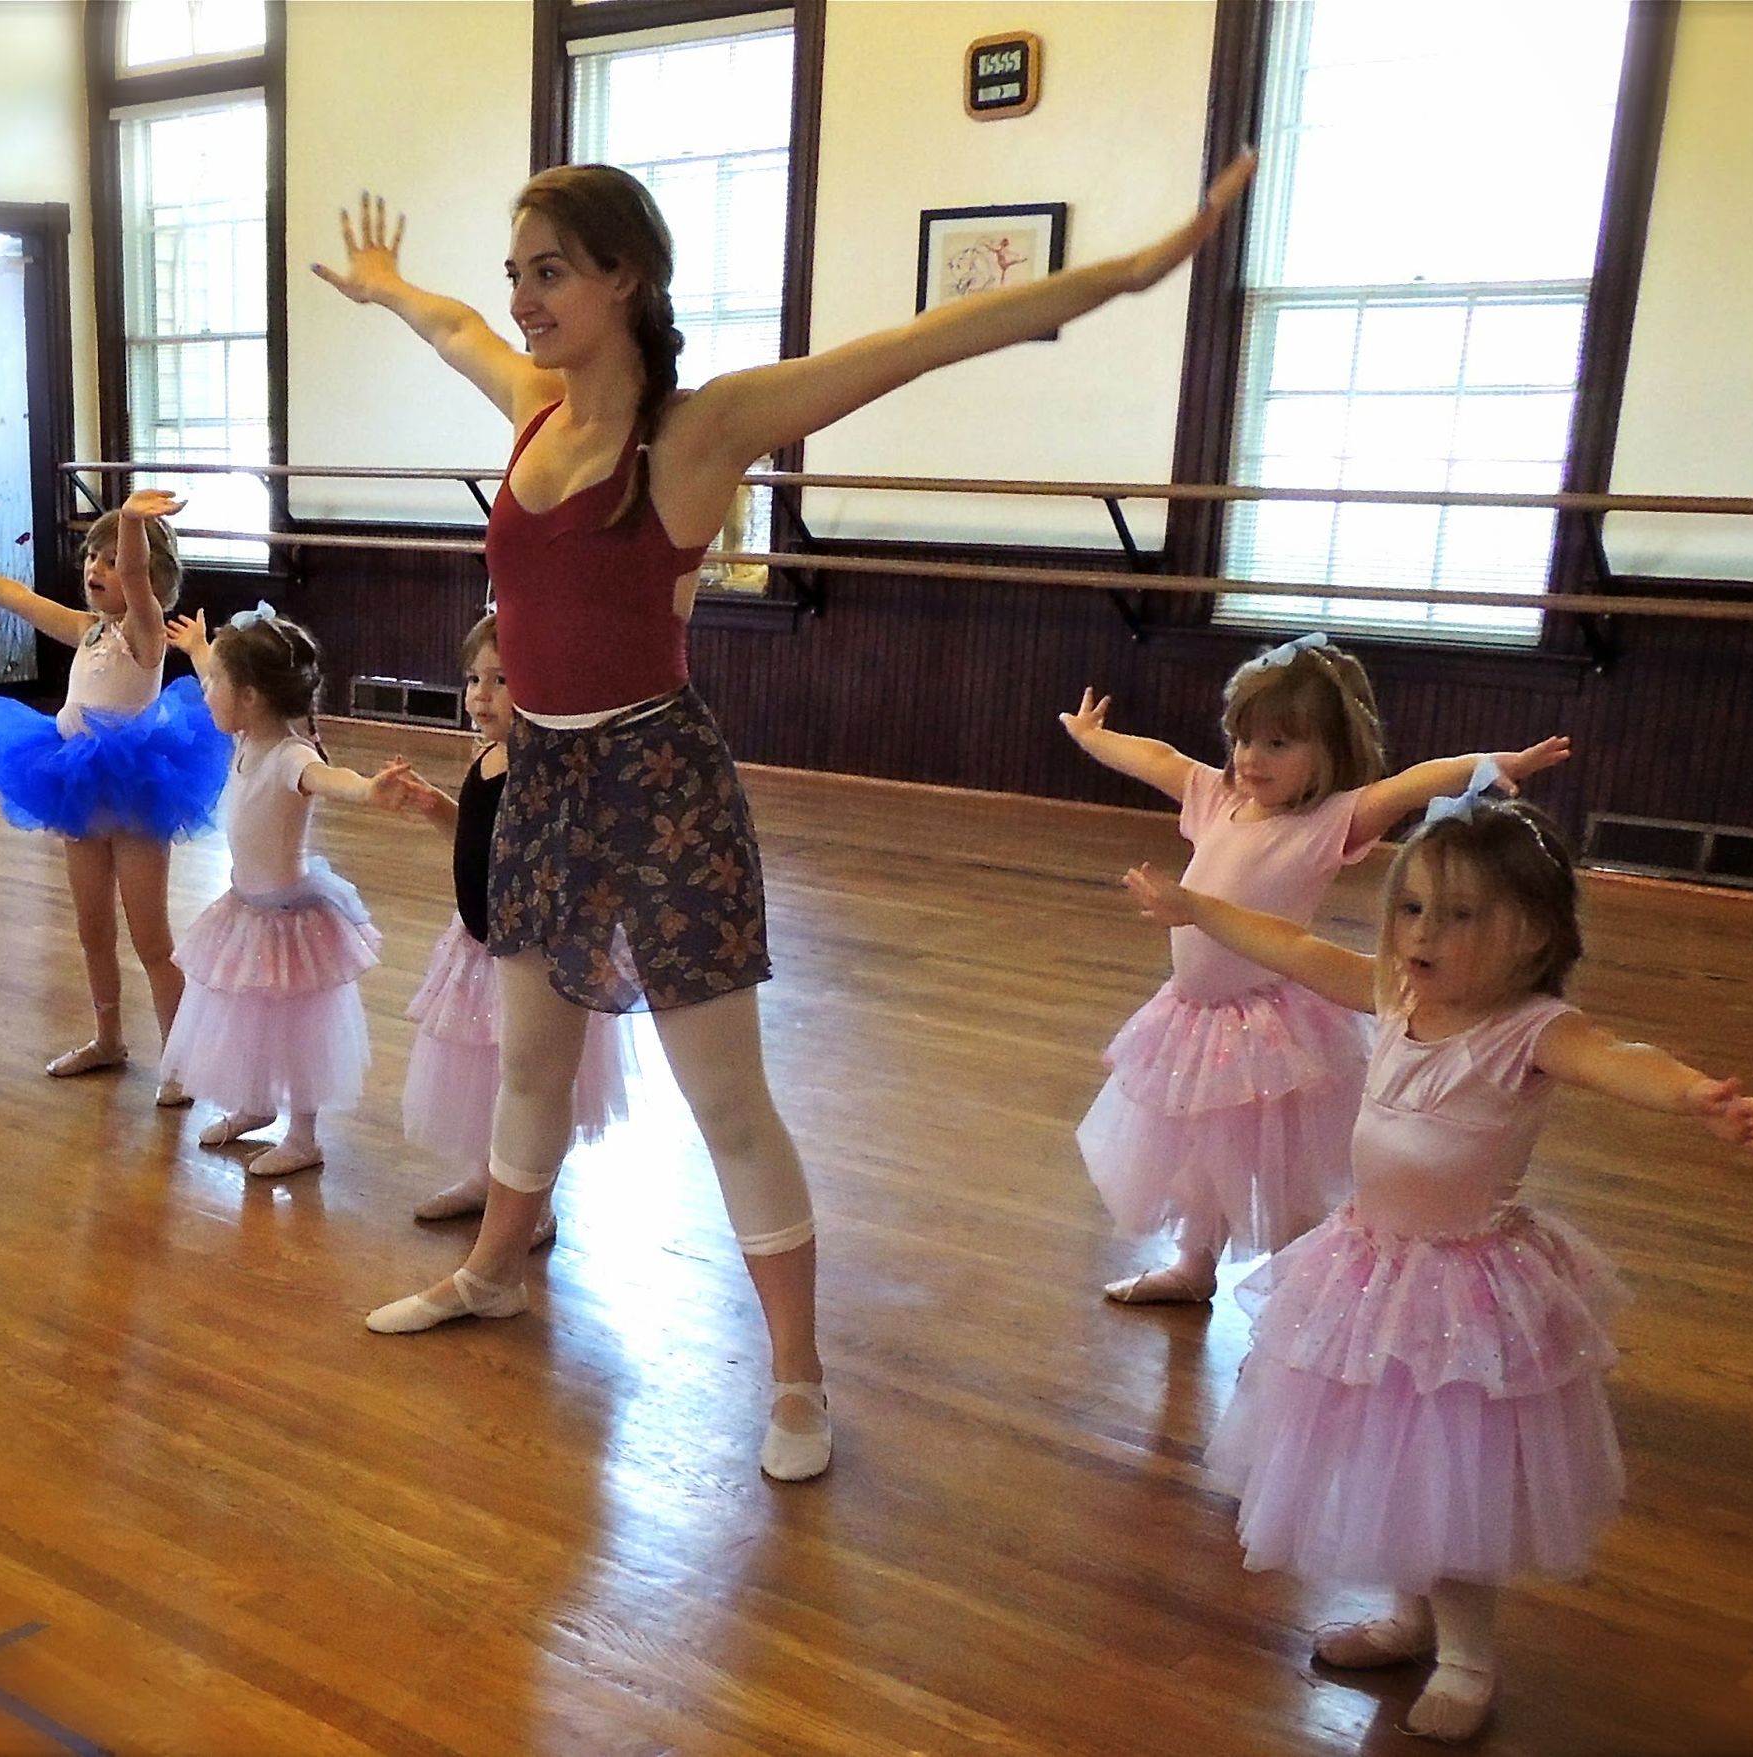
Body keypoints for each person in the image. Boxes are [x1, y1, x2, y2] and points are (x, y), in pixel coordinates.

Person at [315, 149, 1260, 1481]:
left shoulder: (696, 432)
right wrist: (384, 284)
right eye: (516, 272)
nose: (520, 300)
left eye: (550, 272)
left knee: (730, 1104)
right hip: (543, 779)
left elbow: (925, 340)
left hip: (658, 788)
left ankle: (800, 1381)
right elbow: (453, 328)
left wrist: (1135, 269)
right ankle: (495, 1272)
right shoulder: (534, 407)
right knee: (530, 1060)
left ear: (623, 277)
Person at [1124, 775, 1753, 1742]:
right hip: (1367, 1268)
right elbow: (1296, 946)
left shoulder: (1531, 1030)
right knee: (1391, 1459)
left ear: (1530, 933)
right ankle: (1405, 1615)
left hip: (1465, 1286)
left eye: (1459, 915)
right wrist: (1196, 907)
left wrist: (1694, 1095)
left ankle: (1469, 1655)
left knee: (1453, 1471)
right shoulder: (1394, 995)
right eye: (1410, 909)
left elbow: (1618, 1055)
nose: (1421, 934)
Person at [1062, 633, 1569, 1303]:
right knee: (1196, 1154)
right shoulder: (1216, 797)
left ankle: (1297, 1293)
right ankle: (1192, 1266)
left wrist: (1483, 764)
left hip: (1266, 1026)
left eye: (1278, 744)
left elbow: (1407, 786)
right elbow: (1156, 757)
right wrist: (1093, 737)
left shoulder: (1329, 820)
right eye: (1244, 739)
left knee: (1277, 1169)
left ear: (1327, 754)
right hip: (1190, 1017)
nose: (1251, 758)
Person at [0, 492, 228, 1099]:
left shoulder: (144, 633)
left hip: (136, 790)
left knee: (151, 937)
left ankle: (179, 1060)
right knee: (92, 929)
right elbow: (15, 597)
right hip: (75, 782)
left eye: (110, 560)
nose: (96, 567)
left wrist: (133, 521)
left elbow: (140, 579)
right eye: (92, 557)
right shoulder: (87, 630)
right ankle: (109, 1038)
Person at [393, 614, 634, 1248]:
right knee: (486, 1073)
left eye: (501, 681)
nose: (480, 695)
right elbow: (478, 841)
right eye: (475, 679)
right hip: (478, 943)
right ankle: (485, 1177)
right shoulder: (488, 755)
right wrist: (438, 809)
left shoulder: (540, 768)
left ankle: (534, 1199)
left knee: (529, 1075)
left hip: (527, 949)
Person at [159, 606, 402, 1177]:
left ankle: (304, 1136)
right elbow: (216, 675)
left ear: (248, 697)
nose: (205, 690)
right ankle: (254, 1104)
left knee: (296, 1028)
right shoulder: (245, 731)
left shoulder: (292, 754)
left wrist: (369, 790)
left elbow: (329, 779)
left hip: (289, 916)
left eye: (214, 683)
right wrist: (198, 648)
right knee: (247, 1011)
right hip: (245, 907)